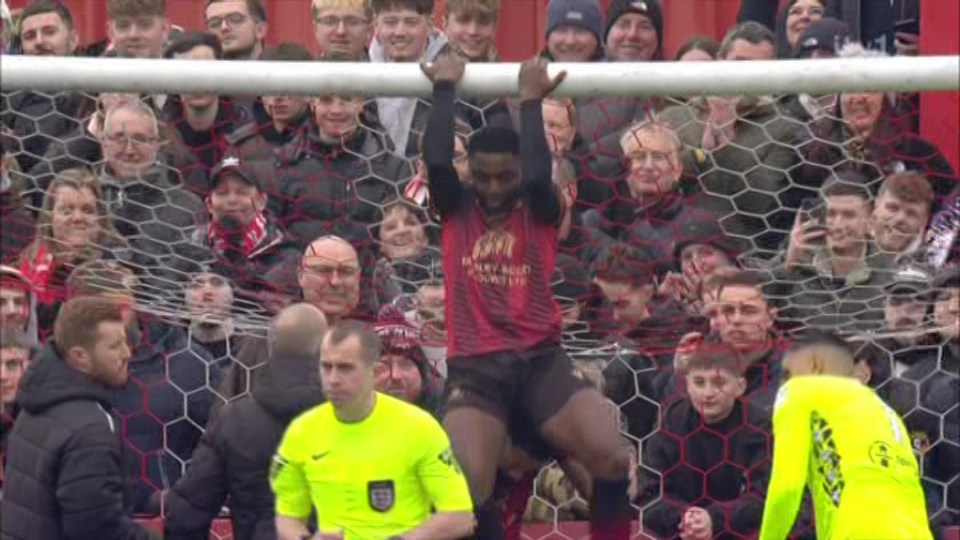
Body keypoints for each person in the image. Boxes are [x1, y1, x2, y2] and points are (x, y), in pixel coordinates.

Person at [421, 54, 632, 539]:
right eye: (483, 176)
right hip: (477, 370)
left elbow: (538, 178)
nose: (494, 188)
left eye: (505, 176)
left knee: (611, 456)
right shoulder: (456, 209)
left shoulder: (539, 209)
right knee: (466, 489)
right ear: (470, 172)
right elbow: (436, 161)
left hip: (541, 364)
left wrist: (531, 100)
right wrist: (444, 90)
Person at [270, 321, 475, 540]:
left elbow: (460, 516)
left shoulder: (419, 427)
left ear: (370, 369)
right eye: (327, 367)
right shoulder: (303, 430)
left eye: (346, 368)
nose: (333, 379)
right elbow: (287, 516)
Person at [163, 303, 327, 540]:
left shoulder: (236, 420)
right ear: (325, 347)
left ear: (271, 347)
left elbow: (187, 512)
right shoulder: (353, 418)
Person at [0, 296, 158, 540]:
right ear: (79, 356)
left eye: (126, 342)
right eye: (115, 345)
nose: (127, 353)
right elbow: (96, 528)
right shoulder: (90, 428)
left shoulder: (33, 404)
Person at [758, 332, 933, 540]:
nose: (785, 380)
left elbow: (786, 486)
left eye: (788, 371)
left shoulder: (799, 390)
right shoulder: (886, 411)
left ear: (813, 365)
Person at [639, 349, 770, 538]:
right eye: (699, 383)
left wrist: (714, 519)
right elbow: (649, 492)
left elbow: (764, 495)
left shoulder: (759, 427)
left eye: (719, 383)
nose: (708, 393)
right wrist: (684, 519)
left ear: (740, 387)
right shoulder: (671, 421)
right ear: (687, 385)